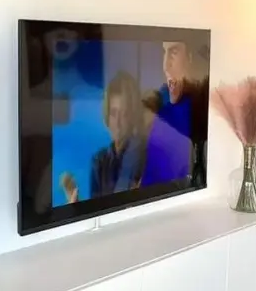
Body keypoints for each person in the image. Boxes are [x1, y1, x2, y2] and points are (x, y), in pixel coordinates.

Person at [60, 71, 145, 203]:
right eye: (113, 113)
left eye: (124, 114)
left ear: (133, 116)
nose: (117, 122)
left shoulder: (144, 155)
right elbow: (97, 209)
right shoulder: (99, 161)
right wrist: (76, 205)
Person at [140, 41, 209, 187]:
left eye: (174, 52)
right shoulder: (160, 106)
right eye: (164, 52)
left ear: (189, 58)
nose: (166, 65)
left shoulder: (202, 107)